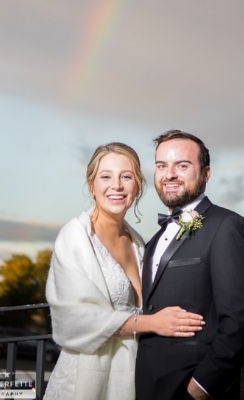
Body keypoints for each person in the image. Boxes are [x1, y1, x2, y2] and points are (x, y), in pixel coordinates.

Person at [45, 143, 206, 400]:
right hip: (85, 382)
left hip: (131, 377)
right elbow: (72, 320)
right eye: (106, 176)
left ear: (138, 187)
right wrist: (152, 323)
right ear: (91, 185)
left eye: (126, 177)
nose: (117, 186)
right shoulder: (76, 237)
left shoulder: (138, 242)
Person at [136, 130, 244, 400]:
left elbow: (241, 318)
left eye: (182, 165)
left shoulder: (228, 226)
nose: (169, 174)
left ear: (206, 173)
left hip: (190, 388)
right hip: (147, 385)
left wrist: (200, 388)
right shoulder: (153, 241)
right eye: (162, 166)